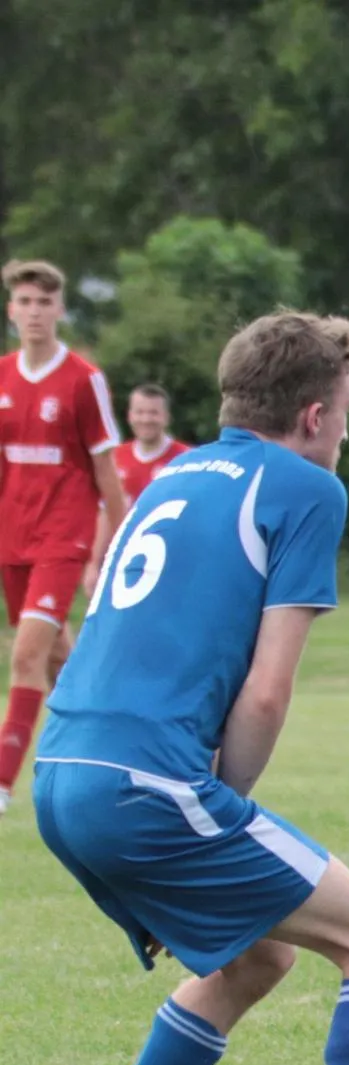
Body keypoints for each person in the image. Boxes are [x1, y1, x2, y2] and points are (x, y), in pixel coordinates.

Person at [33, 310, 349, 1065]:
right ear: (312, 415)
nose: (346, 431)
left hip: (63, 768)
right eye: (346, 411)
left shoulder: (171, 477)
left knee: (258, 957)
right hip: (142, 785)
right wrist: (225, 801)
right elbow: (266, 689)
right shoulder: (305, 487)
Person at [0, 259, 127, 817]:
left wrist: (117, 545)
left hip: (63, 538)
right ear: (11, 310)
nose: (34, 312)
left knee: (25, 655)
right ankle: (107, 747)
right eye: (25, 302)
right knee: (59, 663)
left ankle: (2, 783)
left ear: (60, 309)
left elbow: (106, 474)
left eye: (44, 303)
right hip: (13, 538)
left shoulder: (82, 379)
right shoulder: (2, 376)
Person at [110, 384, 193, 505]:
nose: (146, 420)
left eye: (154, 413)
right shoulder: (114, 457)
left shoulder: (187, 459)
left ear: (167, 417)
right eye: (140, 412)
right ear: (129, 416)